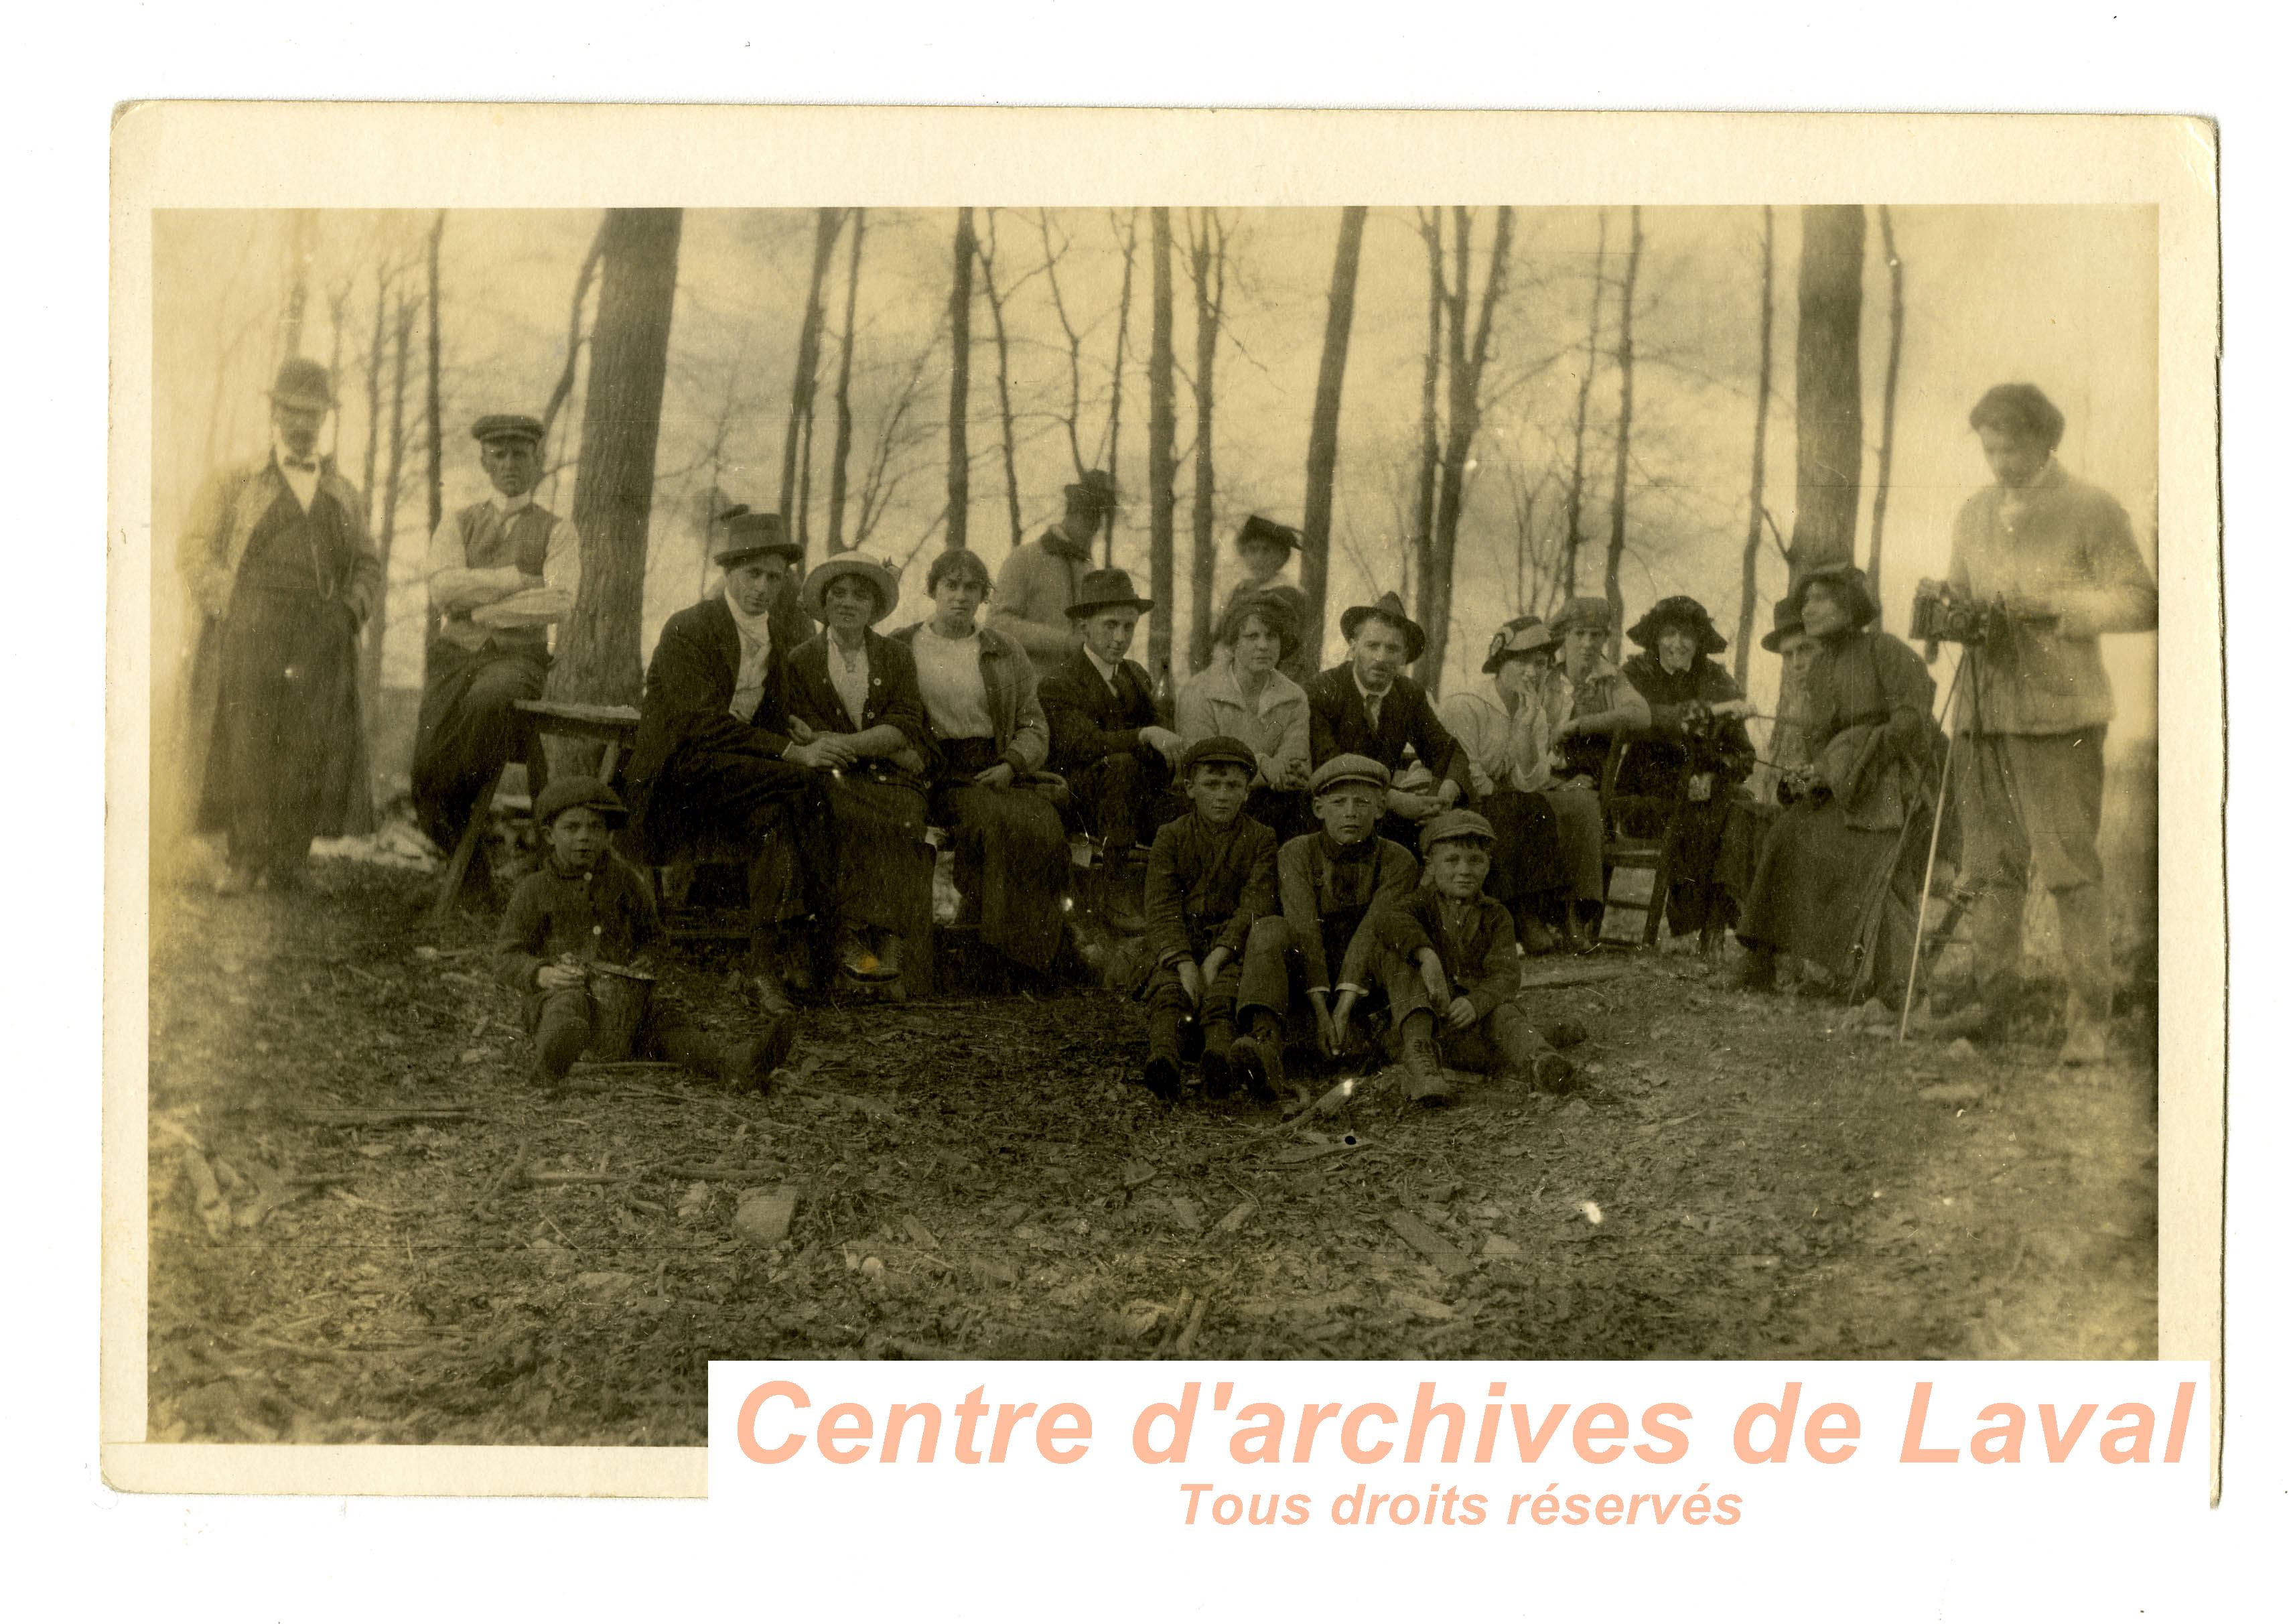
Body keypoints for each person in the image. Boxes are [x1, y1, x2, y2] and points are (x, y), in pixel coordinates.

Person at [1947, 383, 2157, 1064]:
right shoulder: (1974, 511)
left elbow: (2139, 600)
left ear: (2046, 440)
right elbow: (1960, 592)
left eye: (2012, 445)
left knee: (2069, 867)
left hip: (2062, 714)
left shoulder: (2091, 508)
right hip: (1984, 714)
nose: (1999, 459)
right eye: (1990, 446)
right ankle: (1992, 1005)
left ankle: (2089, 1020)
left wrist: (2054, 606)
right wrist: (1945, 610)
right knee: (1987, 867)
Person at [178, 358, 381, 894]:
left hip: (321, 632)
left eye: (312, 413)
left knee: (308, 742)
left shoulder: (343, 492)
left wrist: (349, 611)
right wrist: (228, 602)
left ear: (325, 420)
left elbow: (367, 562)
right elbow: (194, 547)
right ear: (275, 413)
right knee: (248, 736)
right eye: (292, 411)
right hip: (252, 627)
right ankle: (245, 859)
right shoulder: (237, 481)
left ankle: (291, 859)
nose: (302, 423)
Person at [624, 513, 832, 1017]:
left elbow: (766, 710)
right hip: (677, 776)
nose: (763, 588)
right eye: (752, 574)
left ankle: (762, 966)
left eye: (774, 577)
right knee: (807, 783)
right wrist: (789, 751)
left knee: (775, 818)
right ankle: (815, 937)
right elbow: (702, 725)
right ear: (729, 573)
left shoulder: (776, 638)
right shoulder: (690, 628)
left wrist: (792, 728)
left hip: (739, 779)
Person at [494, 776, 785, 1092]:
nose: (584, 837)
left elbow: (654, 939)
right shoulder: (534, 889)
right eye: (572, 828)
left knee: (667, 1020)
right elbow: (507, 957)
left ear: (608, 834)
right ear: (550, 835)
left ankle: (733, 1065)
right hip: (561, 992)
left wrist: (646, 959)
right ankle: (551, 1065)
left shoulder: (626, 882)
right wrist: (543, 973)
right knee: (567, 1007)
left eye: (595, 828)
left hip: (625, 1005)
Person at [1732, 566, 1937, 1002]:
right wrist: (1813, 772)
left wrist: (1862, 751)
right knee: (1786, 834)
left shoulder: (1886, 650)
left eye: (1819, 598)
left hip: (1890, 783)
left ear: (1848, 605)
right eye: (1804, 601)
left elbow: (1913, 720)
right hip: (1843, 784)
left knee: (1857, 850)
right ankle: (1759, 960)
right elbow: (1819, 742)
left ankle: (1880, 980)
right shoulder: (1821, 668)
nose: (1808, 608)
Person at [892, 548, 1074, 978]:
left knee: (1042, 822)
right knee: (993, 822)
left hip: (994, 765)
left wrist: (1012, 763)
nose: (960, 596)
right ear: (933, 590)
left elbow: (1034, 723)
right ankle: (995, 954)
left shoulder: (1004, 650)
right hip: (931, 770)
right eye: (950, 586)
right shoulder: (902, 645)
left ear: (983, 594)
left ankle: (1039, 956)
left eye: (971, 587)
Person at [411, 413, 580, 864]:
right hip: (455, 657)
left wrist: (482, 608)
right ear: (485, 462)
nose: (509, 463)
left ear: (537, 460)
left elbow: (559, 602)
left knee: (490, 699)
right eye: (499, 454)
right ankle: (471, 871)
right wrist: (516, 579)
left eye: (520, 454)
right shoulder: (458, 522)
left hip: (518, 661)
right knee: (424, 770)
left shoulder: (558, 530)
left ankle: (466, 829)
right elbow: (443, 589)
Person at [782, 553, 934, 992]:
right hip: (836, 777)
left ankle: (891, 944)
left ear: (874, 607)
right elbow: (804, 728)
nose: (848, 603)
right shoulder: (801, 660)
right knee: (838, 807)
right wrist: (870, 745)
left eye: (860, 595)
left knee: (904, 811)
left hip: (890, 778)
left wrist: (842, 742)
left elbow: (905, 723)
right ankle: (849, 939)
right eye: (839, 594)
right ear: (825, 604)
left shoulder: (896, 656)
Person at [1229, 754, 1419, 1102]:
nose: (1351, 812)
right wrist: (1321, 1012)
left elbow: (1371, 932)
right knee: (1269, 929)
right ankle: (1266, 1046)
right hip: (1307, 980)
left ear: (1380, 809)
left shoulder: (1399, 861)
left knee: (1397, 940)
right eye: (1338, 802)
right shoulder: (1296, 853)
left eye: (1363, 802)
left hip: (1364, 986)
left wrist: (1343, 1011)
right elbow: (1303, 930)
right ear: (1319, 808)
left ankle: (1414, 1053)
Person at [1367, 810, 1575, 1106]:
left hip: (1474, 1026)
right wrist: (1426, 956)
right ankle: (1422, 1066)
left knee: (1506, 1015)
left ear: (1488, 865)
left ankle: (1542, 1062)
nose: (1464, 870)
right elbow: (1388, 920)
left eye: (1475, 860)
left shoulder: (1496, 915)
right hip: (1426, 1025)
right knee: (1398, 952)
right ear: (1430, 867)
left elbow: (1505, 975)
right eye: (1452, 860)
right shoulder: (1417, 906)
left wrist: (1476, 1003)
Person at [1438, 616, 1598, 952]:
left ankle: (1555, 915)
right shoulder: (1466, 703)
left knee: (1532, 805)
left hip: (1505, 801)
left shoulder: (1534, 713)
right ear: (1500, 664)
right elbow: (1464, 768)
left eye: (1540, 664)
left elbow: (1531, 781)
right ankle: (1527, 918)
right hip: (1455, 795)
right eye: (1521, 661)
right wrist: (1501, 792)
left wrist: (1525, 729)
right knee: (1517, 807)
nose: (1532, 672)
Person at [1039, 567, 1186, 928]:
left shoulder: (1134, 674)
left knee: (1187, 807)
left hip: (1133, 794)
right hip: (1081, 797)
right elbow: (1083, 744)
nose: (1120, 637)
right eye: (1110, 625)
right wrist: (1142, 736)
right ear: (1083, 626)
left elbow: (1161, 729)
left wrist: (1160, 740)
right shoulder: (1060, 680)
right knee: (1120, 767)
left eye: (1129, 627)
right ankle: (1114, 892)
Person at [1136, 736, 1280, 1102]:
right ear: (1189, 788)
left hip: (1230, 948)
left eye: (1233, 786)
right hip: (1180, 944)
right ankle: (1163, 1060)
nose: (1222, 795)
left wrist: (1216, 958)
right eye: (1211, 784)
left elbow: (1255, 903)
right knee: (1169, 992)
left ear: (1248, 793)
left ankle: (1218, 1059)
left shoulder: (1261, 838)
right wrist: (1184, 963)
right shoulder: (1170, 837)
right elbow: (1162, 906)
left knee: (1223, 994)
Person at [1616, 595, 1757, 941]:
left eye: (1687, 637)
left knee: (1741, 806)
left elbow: (1744, 754)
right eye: (1669, 634)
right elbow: (1642, 724)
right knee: (1717, 809)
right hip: (1644, 794)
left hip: (1707, 793)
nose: (1677, 644)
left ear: (1699, 643)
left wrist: (1714, 775)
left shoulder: (1717, 681)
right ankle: (1710, 924)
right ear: (1655, 638)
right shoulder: (1635, 676)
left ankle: (1718, 924)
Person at [1304, 592, 1468, 850]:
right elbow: (1329, 763)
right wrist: (1394, 800)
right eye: (1372, 645)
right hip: (1330, 813)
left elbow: (1448, 751)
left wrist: (1447, 793)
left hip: (1384, 816)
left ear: (1404, 657)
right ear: (1353, 647)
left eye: (1392, 649)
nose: (1381, 657)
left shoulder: (1409, 694)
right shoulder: (1323, 688)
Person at [1175, 592, 1313, 841]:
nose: (1263, 645)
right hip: (1213, 804)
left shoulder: (1294, 697)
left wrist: (1275, 771)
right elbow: (1204, 768)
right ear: (1234, 643)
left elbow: (1296, 765)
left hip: (1271, 805)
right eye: (1252, 636)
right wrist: (1263, 765)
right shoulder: (1200, 691)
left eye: (1272, 636)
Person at [991, 469, 1118, 684]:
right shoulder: (1025, 558)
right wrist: (1063, 642)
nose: (1093, 532)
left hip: (1077, 691)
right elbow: (997, 624)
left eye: (1097, 523)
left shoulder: (1088, 571)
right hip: (1029, 689)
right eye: (1090, 521)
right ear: (1074, 514)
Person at [1545, 595, 1653, 786]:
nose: (1587, 644)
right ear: (1565, 636)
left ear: (1604, 638)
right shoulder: (1546, 679)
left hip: (1588, 784)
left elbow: (1642, 714)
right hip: (1543, 781)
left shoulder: (1611, 679)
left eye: (1595, 635)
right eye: (1579, 633)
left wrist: (1579, 725)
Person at [1216, 515, 1316, 683]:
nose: (1258, 558)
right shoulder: (1240, 591)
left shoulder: (1288, 594)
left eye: (1266, 550)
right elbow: (1222, 636)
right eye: (1252, 550)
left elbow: (1289, 650)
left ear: (1281, 557)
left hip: (1276, 677)